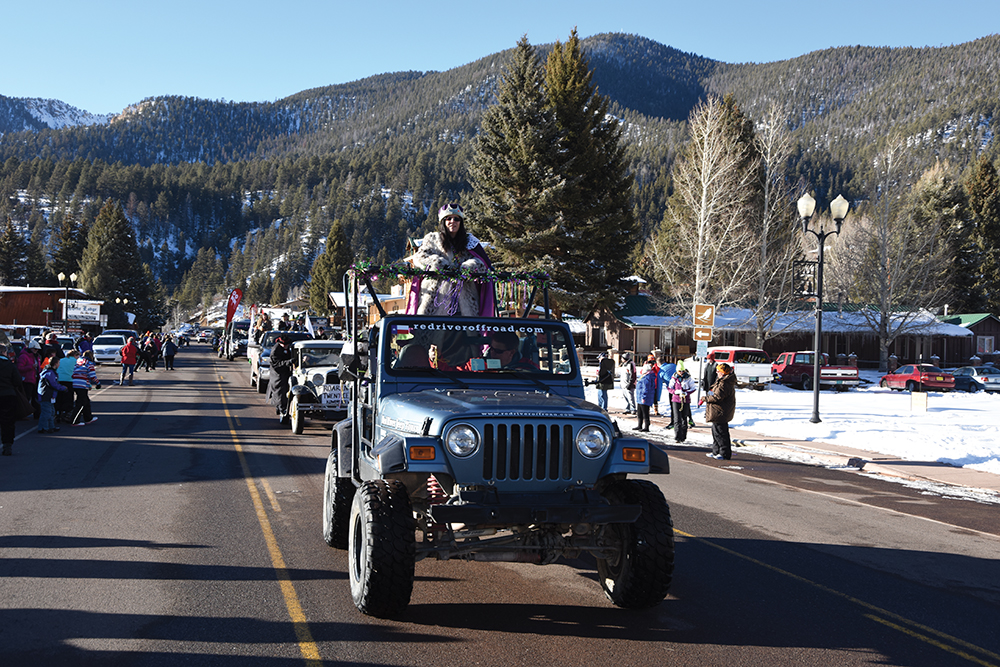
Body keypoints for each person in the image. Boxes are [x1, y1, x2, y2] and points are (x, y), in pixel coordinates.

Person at [407, 203, 494, 317]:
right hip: (435, 299)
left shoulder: (469, 241)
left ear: (461, 222)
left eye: (456, 219)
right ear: (443, 221)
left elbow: (482, 263)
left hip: (464, 301)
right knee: (432, 326)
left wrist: (467, 267)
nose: (453, 221)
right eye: (449, 218)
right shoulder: (432, 239)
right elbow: (419, 257)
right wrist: (439, 264)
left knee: (466, 327)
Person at [701, 362, 737, 460]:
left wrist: (705, 398)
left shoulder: (724, 383)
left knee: (721, 433)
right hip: (718, 411)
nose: (717, 372)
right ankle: (716, 451)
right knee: (715, 432)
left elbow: (717, 397)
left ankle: (724, 453)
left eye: (718, 371)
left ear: (723, 372)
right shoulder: (721, 381)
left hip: (721, 411)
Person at [0, 343, 24, 455]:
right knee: (8, 421)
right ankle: (7, 444)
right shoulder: (10, 365)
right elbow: (17, 381)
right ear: (4, 352)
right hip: (8, 394)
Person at [37, 356, 69, 434]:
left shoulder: (51, 372)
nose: (59, 364)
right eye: (58, 363)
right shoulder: (49, 373)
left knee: (51, 412)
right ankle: (43, 428)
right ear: (55, 363)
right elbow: (53, 384)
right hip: (46, 395)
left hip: (50, 395)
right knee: (46, 412)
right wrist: (63, 388)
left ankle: (51, 427)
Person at [667, 360, 697, 443]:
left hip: (685, 400)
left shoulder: (688, 378)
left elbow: (693, 388)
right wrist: (675, 392)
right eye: (679, 371)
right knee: (677, 419)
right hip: (676, 400)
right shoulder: (674, 378)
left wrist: (686, 392)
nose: (681, 372)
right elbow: (669, 388)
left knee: (684, 418)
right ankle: (677, 436)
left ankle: (683, 436)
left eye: (682, 371)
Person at [268, 334, 295, 424]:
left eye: (287, 344)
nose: (286, 346)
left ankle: (282, 407)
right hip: (278, 374)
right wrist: (288, 362)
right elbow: (276, 364)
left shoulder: (288, 348)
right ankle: (282, 411)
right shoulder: (275, 350)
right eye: (284, 344)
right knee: (280, 392)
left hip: (286, 372)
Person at [71, 350, 101, 425]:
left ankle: (88, 418)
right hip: (82, 384)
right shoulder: (89, 363)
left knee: (86, 401)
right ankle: (74, 421)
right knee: (80, 403)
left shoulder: (78, 361)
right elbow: (92, 376)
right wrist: (98, 383)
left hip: (74, 382)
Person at [16, 339, 42, 419]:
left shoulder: (36, 356)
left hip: (35, 379)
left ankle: (37, 414)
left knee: (36, 398)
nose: (36, 351)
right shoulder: (24, 356)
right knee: (26, 398)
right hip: (27, 380)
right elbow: (19, 368)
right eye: (35, 349)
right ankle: (22, 415)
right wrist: (31, 367)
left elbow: (38, 368)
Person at [633, 357, 656, 432]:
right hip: (640, 397)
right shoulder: (644, 376)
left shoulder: (647, 378)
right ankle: (639, 425)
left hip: (644, 398)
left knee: (645, 412)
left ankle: (646, 426)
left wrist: (644, 397)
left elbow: (646, 389)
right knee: (639, 412)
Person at [55, 350, 78, 423]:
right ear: (75, 355)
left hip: (59, 380)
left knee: (59, 397)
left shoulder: (61, 360)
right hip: (69, 380)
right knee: (68, 398)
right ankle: (66, 414)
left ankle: (58, 413)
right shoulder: (76, 361)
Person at [657, 355, 677, 426]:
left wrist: (658, 398)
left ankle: (673, 422)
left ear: (658, 364)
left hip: (672, 390)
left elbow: (659, 386)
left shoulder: (660, 372)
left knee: (673, 406)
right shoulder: (673, 365)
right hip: (680, 388)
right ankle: (687, 420)